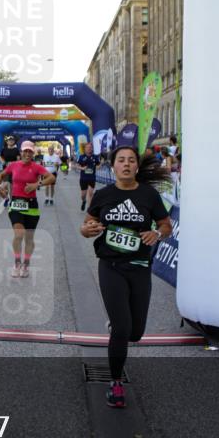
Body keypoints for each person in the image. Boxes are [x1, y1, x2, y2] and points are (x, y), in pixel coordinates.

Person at [79, 145, 172, 409]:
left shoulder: (148, 195)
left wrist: (158, 233)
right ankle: (116, 383)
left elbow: (166, 224)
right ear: (113, 166)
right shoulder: (104, 195)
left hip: (140, 266)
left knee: (135, 333)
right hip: (111, 266)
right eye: (121, 160)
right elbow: (86, 225)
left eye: (131, 160)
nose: (127, 164)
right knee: (122, 329)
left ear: (136, 167)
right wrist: (89, 229)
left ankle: (120, 329)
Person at [0, 140, 56, 278]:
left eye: (30, 151)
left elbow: (51, 178)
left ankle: (26, 264)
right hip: (16, 203)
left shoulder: (36, 167)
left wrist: (37, 184)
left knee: (29, 238)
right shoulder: (13, 166)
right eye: (25, 151)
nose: (27, 153)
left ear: (33, 153)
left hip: (32, 205)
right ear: (21, 152)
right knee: (19, 234)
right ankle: (17, 263)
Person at [74, 142, 102, 211]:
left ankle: (90, 208)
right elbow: (76, 165)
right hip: (83, 178)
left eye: (90, 147)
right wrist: (82, 168)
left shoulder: (95, 157)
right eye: (88, 147)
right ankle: (84, 201)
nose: (89, 149)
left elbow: (98, 165)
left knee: (90, 193)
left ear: (92, 149)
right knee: (83, 195)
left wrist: (98, 166)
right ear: (85, 149)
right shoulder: (82, 157)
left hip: (92, 178)